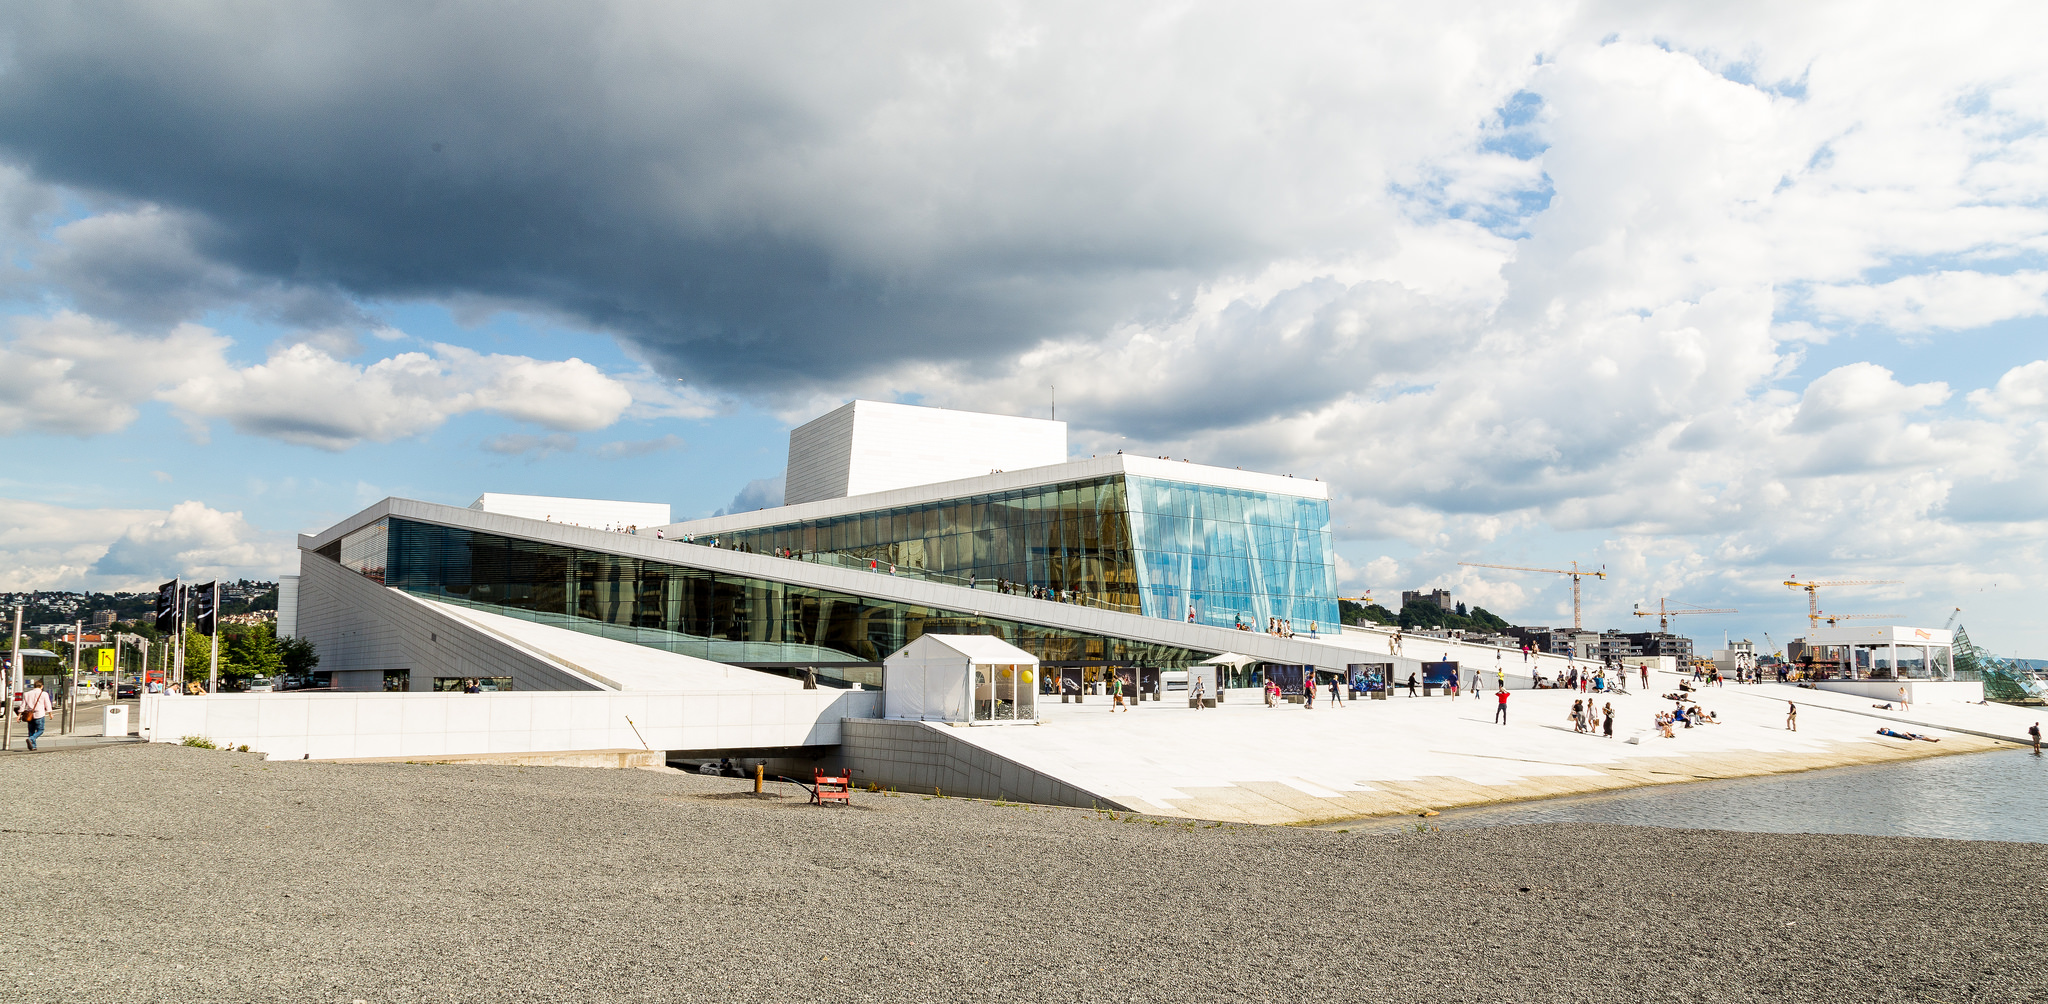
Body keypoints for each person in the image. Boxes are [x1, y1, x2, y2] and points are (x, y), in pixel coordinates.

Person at [18, 679, 53, 751]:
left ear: (34, 686)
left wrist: (19, 715)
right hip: (39, 714)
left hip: (29, 715)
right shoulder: (44, 694)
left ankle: (33, 746)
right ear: (42, 686)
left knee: (31, 731)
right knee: (41, 730)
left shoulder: (27, 694)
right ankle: (31, 739)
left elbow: (23, 705)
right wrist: (50, 713)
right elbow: (48, 704)